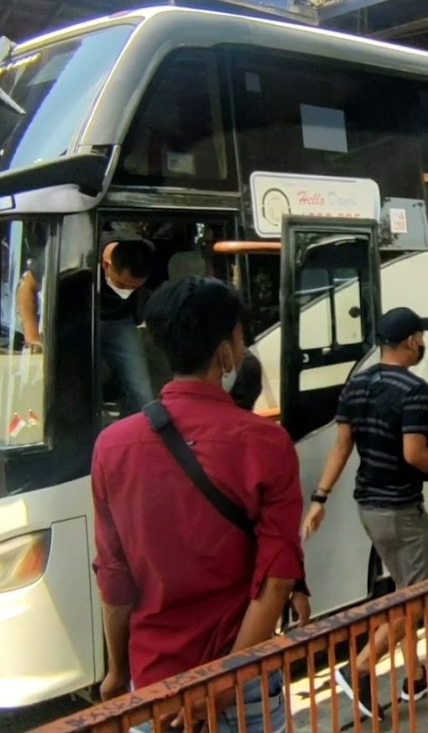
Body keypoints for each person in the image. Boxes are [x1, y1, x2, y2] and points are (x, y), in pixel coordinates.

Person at [91, 277, 307, 733]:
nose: (244, 350)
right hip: (242, 686)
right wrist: (217, 686)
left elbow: (115, 580)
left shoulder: (112, 446)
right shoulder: (266, 443)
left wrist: (116, 672)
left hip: (153, 684)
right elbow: (276, 580)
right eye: (241, 338)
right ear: (225, 352)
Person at [301, 307, 428, 720]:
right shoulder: (412, 387)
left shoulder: (356, 384)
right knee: (422, 596)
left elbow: (342, 446)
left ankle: (415, 677)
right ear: (411, 341)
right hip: (400, 510)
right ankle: (356, 668)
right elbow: (415, 452)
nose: (422, 343)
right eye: (420, 336)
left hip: (368, 506)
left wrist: (320, 498)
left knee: (404, 591)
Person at [18, 230, 156, 417]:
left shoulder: (142, 253)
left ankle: (132, 435)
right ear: (106, 265)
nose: (127, 291)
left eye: (134, 288)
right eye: (122, 285)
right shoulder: (73, 251)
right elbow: (27, 287)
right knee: (75, 393)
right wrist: (32, 336)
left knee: (141, 393)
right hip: (76, 323)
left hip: (119, 322)